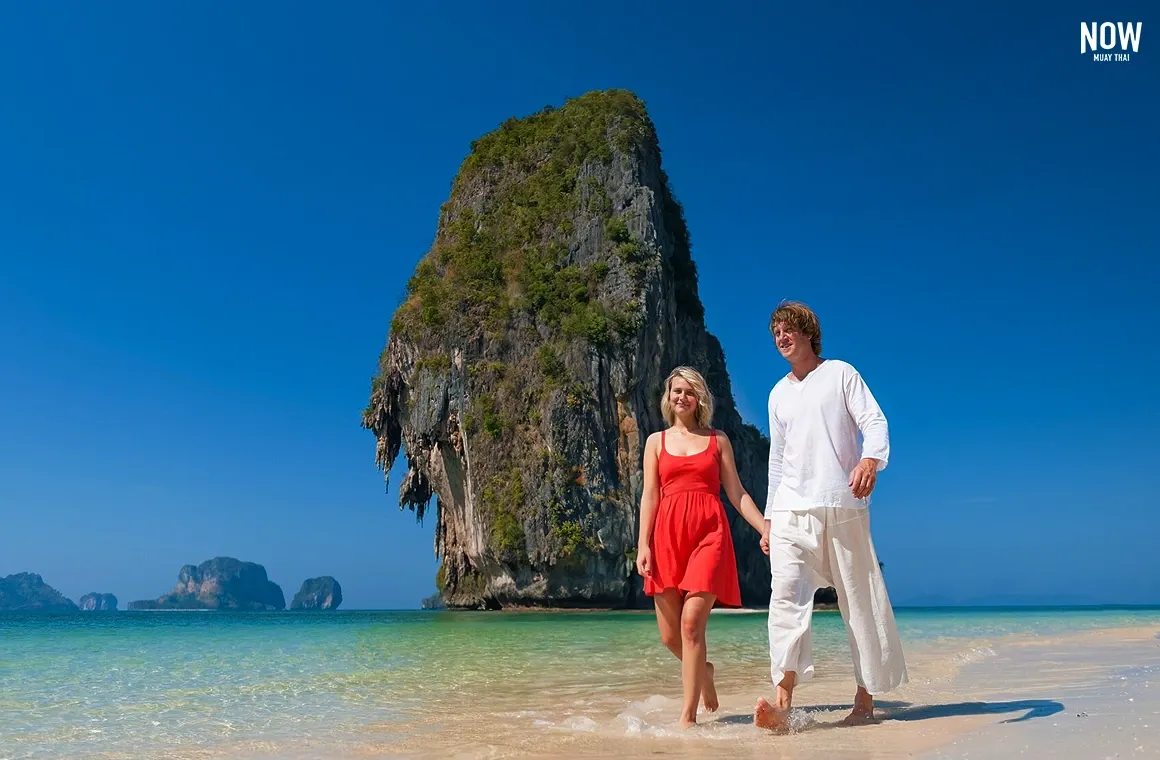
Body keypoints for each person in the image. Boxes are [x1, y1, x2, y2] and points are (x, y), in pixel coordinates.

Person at [754, 300, 908, 732]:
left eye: (787, 330)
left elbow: (875, 422)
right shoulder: (777, 393)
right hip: (790, 509)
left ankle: (864, 701)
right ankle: (782, 703)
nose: (781, 338)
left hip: (842, 504)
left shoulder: (841, 373)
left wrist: (869, 462)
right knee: (784, 595)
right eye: (775, 334)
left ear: (807, 332)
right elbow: (777, 461)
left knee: (857, 600)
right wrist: (769, 518)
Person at [635, 366, 768, 729]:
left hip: (710, 534)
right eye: (676, 391)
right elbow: (650, 496)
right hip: (666, 538)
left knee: (691, 625)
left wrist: (763, 526)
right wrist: (642, 545)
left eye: (689, 391)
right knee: (669, 636)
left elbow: (736, 492)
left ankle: (687, 717)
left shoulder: (717, 439)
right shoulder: (655, 442)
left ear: (699, 399)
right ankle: (704, 672)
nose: (682, 397)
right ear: (669, 397)